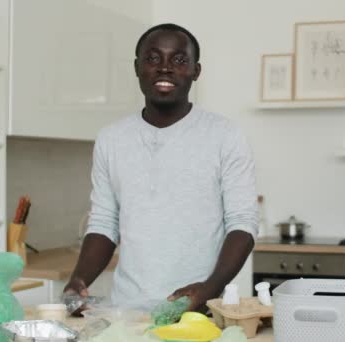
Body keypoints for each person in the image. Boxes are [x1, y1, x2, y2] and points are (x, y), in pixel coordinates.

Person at [63, 23, 258, 312]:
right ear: (137, 67)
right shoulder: (111, 139)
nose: (165, 68)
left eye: (179, 60)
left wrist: (209, 289)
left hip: (203, 309)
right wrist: (78, 280)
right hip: (129, 312)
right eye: (153, 58)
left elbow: (242, 223)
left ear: (196, 70)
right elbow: (104, 222)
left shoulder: (225, 135)